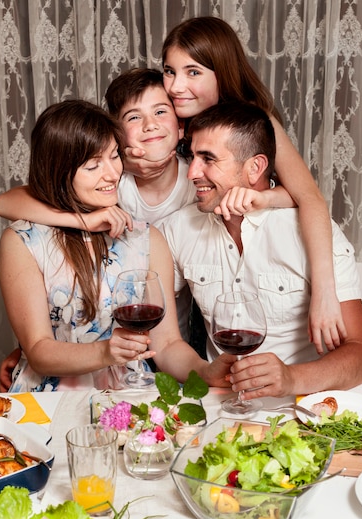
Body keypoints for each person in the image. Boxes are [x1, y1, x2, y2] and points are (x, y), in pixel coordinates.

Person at [124, 16, 346, 356]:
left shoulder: (252, 122)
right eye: (170, 71)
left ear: (222, 73)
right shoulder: (165, 115)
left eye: (193, 72)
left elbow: (309, 198)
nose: (176, 86)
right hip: (177, 267)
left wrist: (325, 292)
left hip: (222, 265)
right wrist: (125, 164)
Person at [0, 99, 233, 392]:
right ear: (58, 171)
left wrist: (206, 371)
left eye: (113, 156)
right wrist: (106, 351)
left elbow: (168, 344)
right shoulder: (23, 241)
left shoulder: (146, 238)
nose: (112, 174)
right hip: (50, 401)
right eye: (93, 165)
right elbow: (39, 351)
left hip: (132, 394)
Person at [161, 101, 362, 399]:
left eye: (208, 159)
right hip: (218, 406)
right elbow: (165, 341)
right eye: (191, 156)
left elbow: (361, 359)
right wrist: (204, 371)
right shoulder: (178, 228)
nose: (192, 172)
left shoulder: (310, 232)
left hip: (300, 411)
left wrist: (290, 378)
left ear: (255, 167)